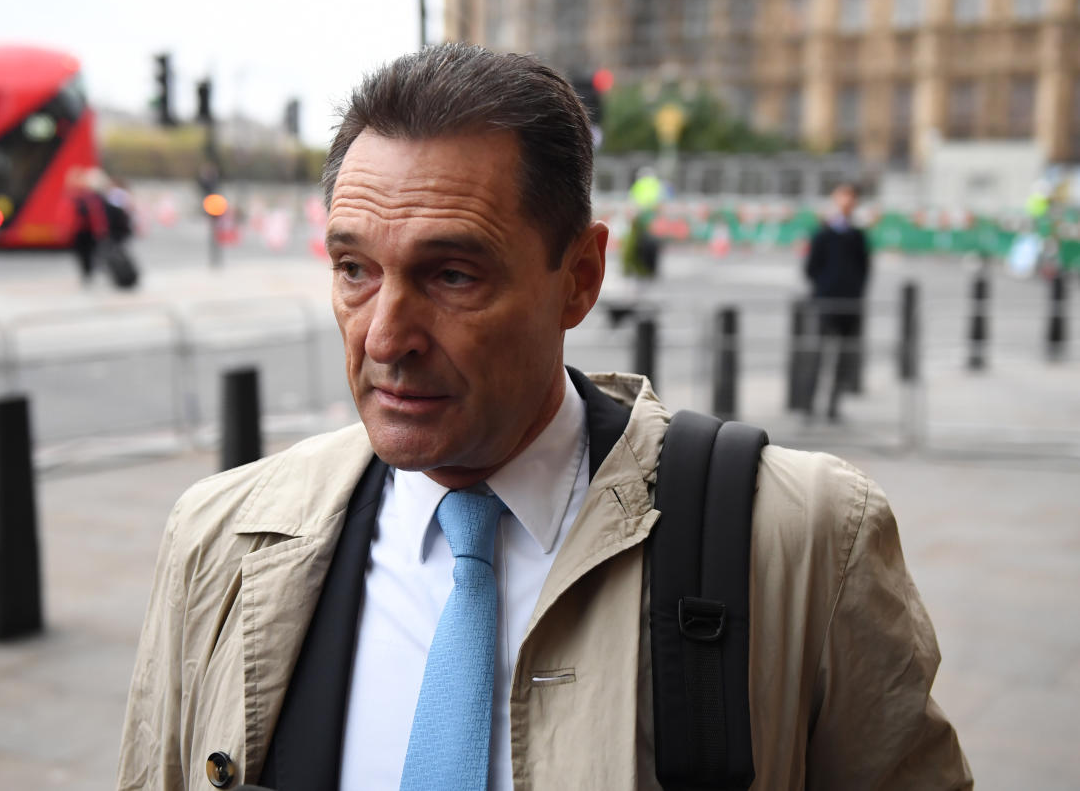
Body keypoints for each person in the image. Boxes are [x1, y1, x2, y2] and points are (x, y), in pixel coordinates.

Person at [117, 45, 970, 790]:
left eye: (453, 275)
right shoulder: (218, 541)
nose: (385, 336)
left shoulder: (803, 542)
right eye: (354, 269)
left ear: (580, 277)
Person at [802, 181, 871, 422]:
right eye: (843, 196)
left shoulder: (858, 235)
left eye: (851, 197)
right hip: (826, 303)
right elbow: (810, 268)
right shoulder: (823, 233)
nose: (847, 201)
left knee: (843, 358)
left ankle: (833, 406)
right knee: (817, 355)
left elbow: (865, 270)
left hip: (850, 306)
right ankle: (808, 405)